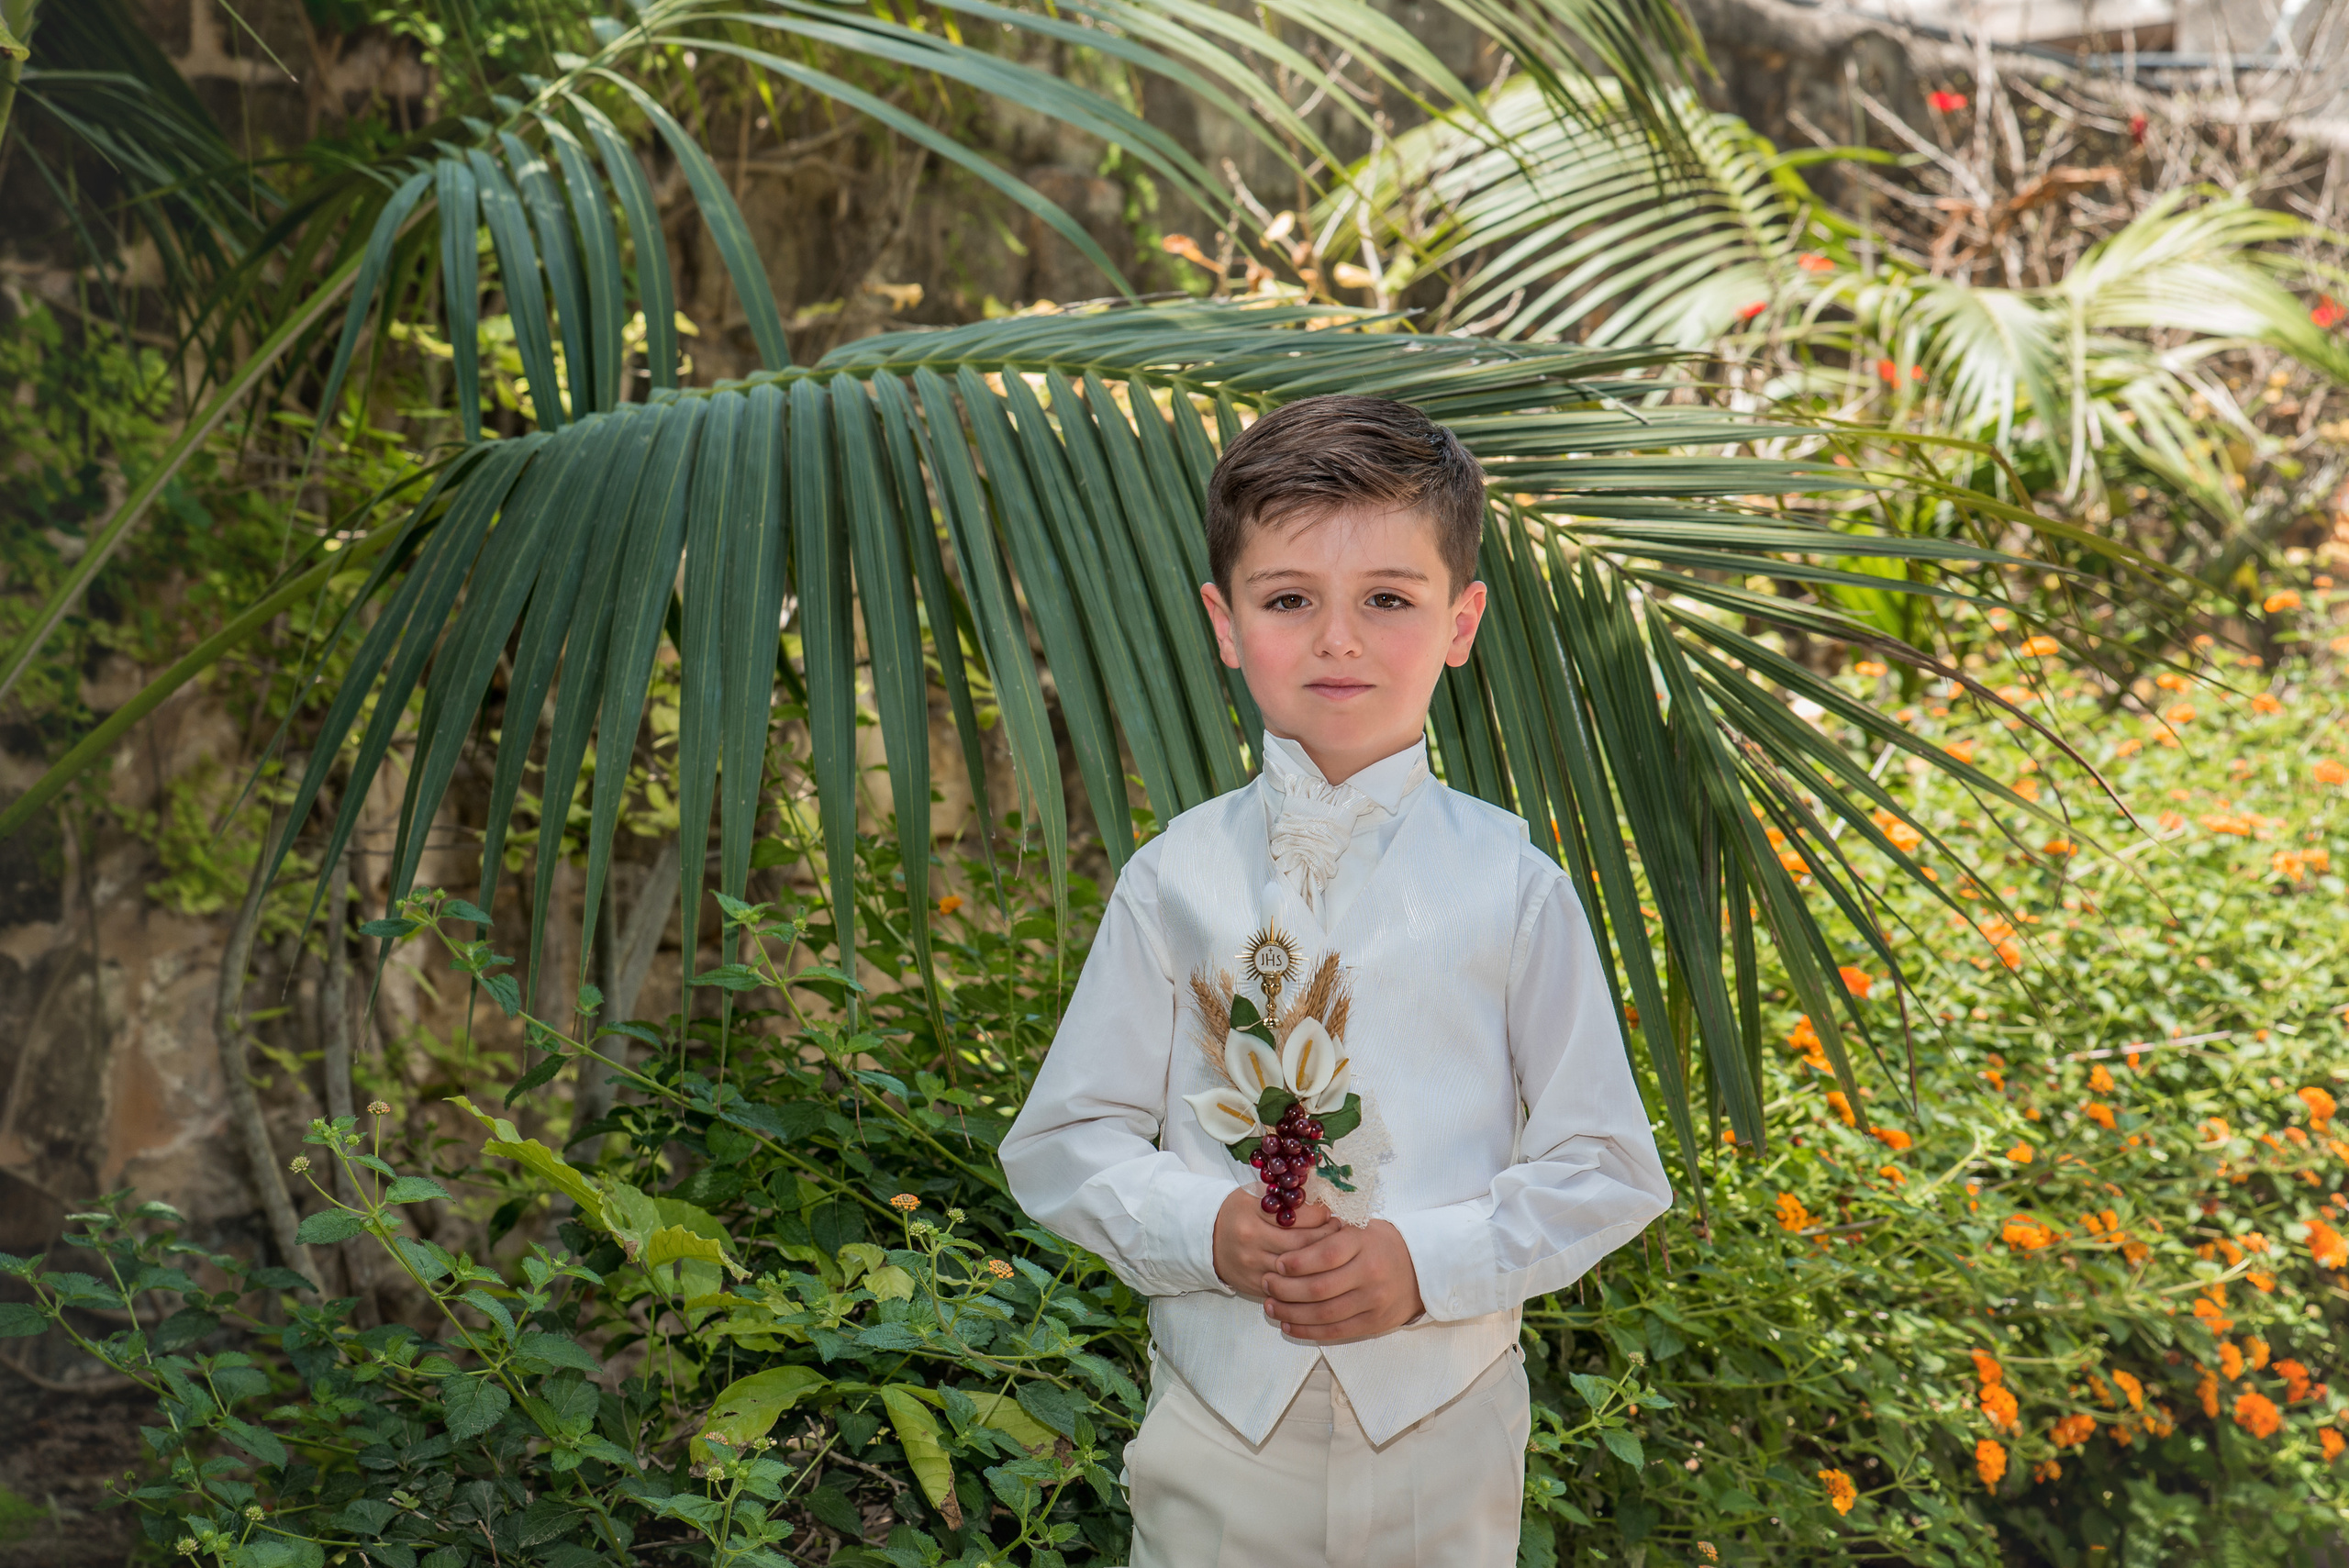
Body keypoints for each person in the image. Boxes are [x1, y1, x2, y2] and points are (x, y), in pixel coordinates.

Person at [999, 394, 1674, 1568]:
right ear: (1224, 619)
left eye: (1388, 600)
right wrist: (1206, 1226)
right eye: (1288, 599)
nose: (1338, 639)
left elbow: (1603, 1166)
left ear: (1461, 621)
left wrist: (1423, 1262)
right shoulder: (1172, 882)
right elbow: (1064, 1140)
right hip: (1214, 1432)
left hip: (1445, 1433)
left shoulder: (1516, 890)